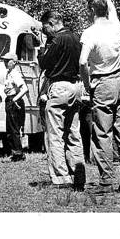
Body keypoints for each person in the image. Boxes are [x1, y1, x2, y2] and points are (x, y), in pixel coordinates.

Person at [79, 0, 120, 194]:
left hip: (102, 83)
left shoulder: (90, 33)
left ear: (91, 10)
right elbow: (112, 8)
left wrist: (87, 83)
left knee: (102, 133)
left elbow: (83, 61)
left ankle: (106, 180)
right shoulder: (115, 25)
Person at [37, 10, 86, 189]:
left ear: (51, 23)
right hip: (76, 86)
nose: (45, 32)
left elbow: (44, 63)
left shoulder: (58, 40)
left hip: (59, 86)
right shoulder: (76, 37)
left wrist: (42, 48)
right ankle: (78, 173)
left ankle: (61, 177)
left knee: (55, 135)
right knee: (74, 133)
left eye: (45, 28)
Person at [0, 51, 28, 162]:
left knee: (14, 128)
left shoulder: (15, 74)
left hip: (14, 100)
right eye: (4, 60)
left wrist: (15, 99)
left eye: (8, 61)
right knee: (10, 129)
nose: (5, 62)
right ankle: (14, 152)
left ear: (14, 62)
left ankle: (18, 153)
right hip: (10, 100)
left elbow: (24, 88)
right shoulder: (9, 73)